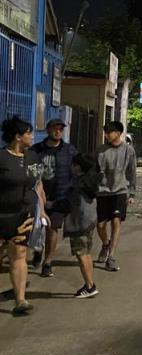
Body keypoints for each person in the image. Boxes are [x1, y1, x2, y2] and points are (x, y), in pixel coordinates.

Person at [0, 116, 46, 315]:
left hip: (23, 214)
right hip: (2, 215)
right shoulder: (2, 158)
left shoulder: (33, 157)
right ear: (18, 137)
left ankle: (20, 300)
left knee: (19, 255)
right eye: (28, 133)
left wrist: (42, 210)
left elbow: (38, 184)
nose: (31, 136)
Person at [30, 118, 77, 278]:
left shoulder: (69, 150)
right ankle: (38, 249)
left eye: (60, 129)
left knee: (53, 228)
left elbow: (76, 170)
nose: (58, 131)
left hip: (60, 195)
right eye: (55, 128)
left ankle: (48, 262)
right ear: (48, 130)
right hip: (39, 195)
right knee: (37, 228)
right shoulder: (36, 150)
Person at [96, 121, 137, 272]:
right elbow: (95, 171)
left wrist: (131, 192)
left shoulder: (128, 150)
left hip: (120, 191)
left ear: (119, 133)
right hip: (103, 191)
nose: (107, 135)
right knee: (100, 225)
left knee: (116, 221)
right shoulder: (101, 151)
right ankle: (105, 244)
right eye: (105, 132)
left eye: (110, 132)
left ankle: (111, 256)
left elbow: (132, 172)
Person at [64, 153, 100, 298]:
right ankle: (90, 284)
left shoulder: (78, 183)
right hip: (90, 221)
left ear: (78, 166)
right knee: (87, 253)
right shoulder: (91, 180)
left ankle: (89, 286)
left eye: (73, 164)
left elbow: (71, 204)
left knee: (81, 254)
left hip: (79, 223)